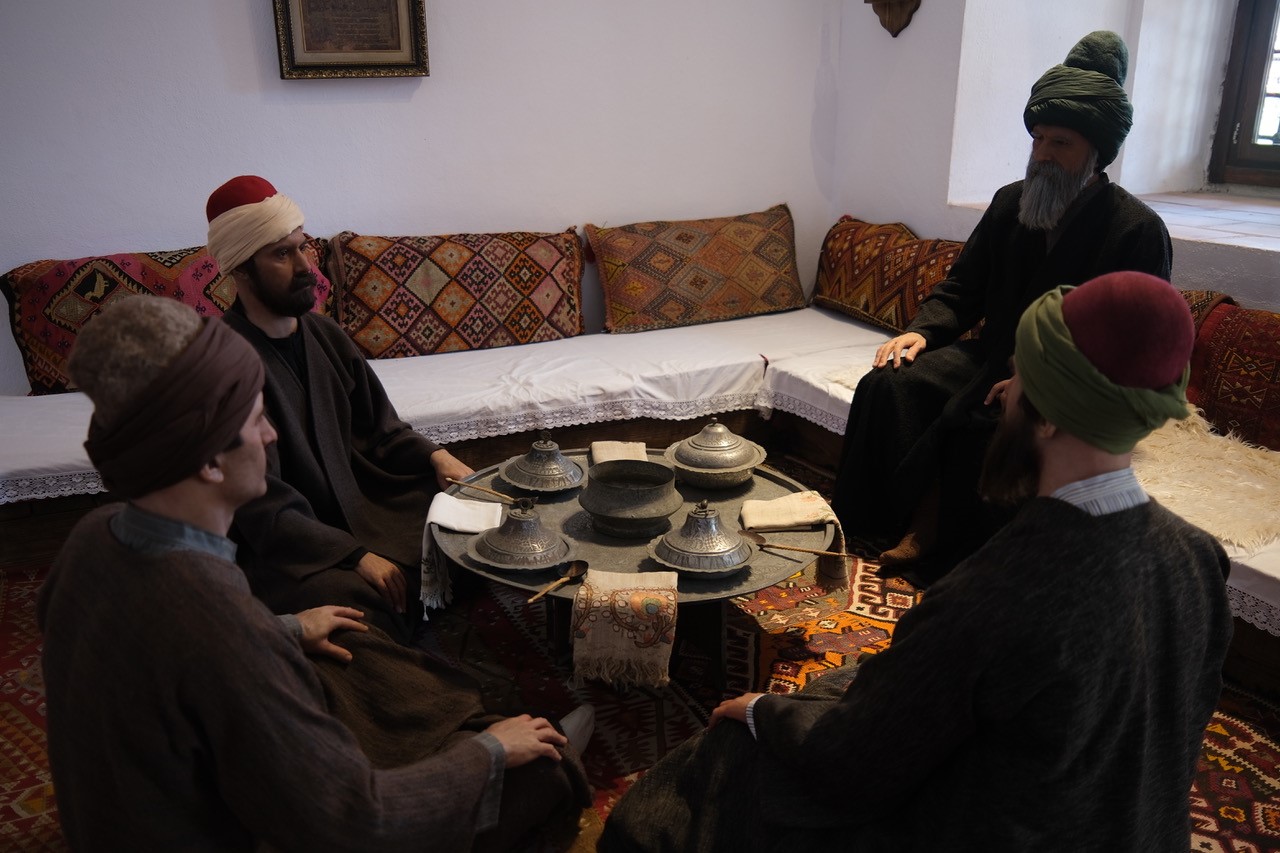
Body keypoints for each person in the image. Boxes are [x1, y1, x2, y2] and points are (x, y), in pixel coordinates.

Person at [599, 271, 1233, 852]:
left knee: (727, 756)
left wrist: (760, 712)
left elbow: (853, 764)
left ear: (1049, 417)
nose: (1002, 391)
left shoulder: (994, 594)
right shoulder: (1198, 557)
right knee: (837, 685)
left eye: (1020, 378)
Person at [39, 296, 590, 851]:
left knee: (344, 644)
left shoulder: (94, 535)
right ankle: (530, 748)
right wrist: (491, 752)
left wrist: (287, 630)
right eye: (256, 420)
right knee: (539, 773)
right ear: (208, 461)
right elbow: (356, 822)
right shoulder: (214, 619)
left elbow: (161, 656)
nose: (272, 436)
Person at [832, 30, 1172, 579]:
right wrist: (925, 330)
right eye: (1036, 139)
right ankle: (865, 524)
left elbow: (1130, 346)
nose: (1041, 154)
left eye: (1059, 143)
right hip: (991, 357)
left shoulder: (1136, 231)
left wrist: (1040, 382)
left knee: (985, 421)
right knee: (888, 384)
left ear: (1097, 151)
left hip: (1074, 384)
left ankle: (945, 549)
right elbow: (963, 287)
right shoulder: (1011, 202)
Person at [205, 174, 474, 643]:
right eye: (281, 254)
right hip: (291, 542)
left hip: (365, 501)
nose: (306, 266)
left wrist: (436, 456)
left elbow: (383, 431)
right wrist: (354, 555)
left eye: (302, 246)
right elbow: (256, 499)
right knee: (356, 604)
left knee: (473, 526)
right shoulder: (224, 363)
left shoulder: (325, 335)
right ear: (241, 270)